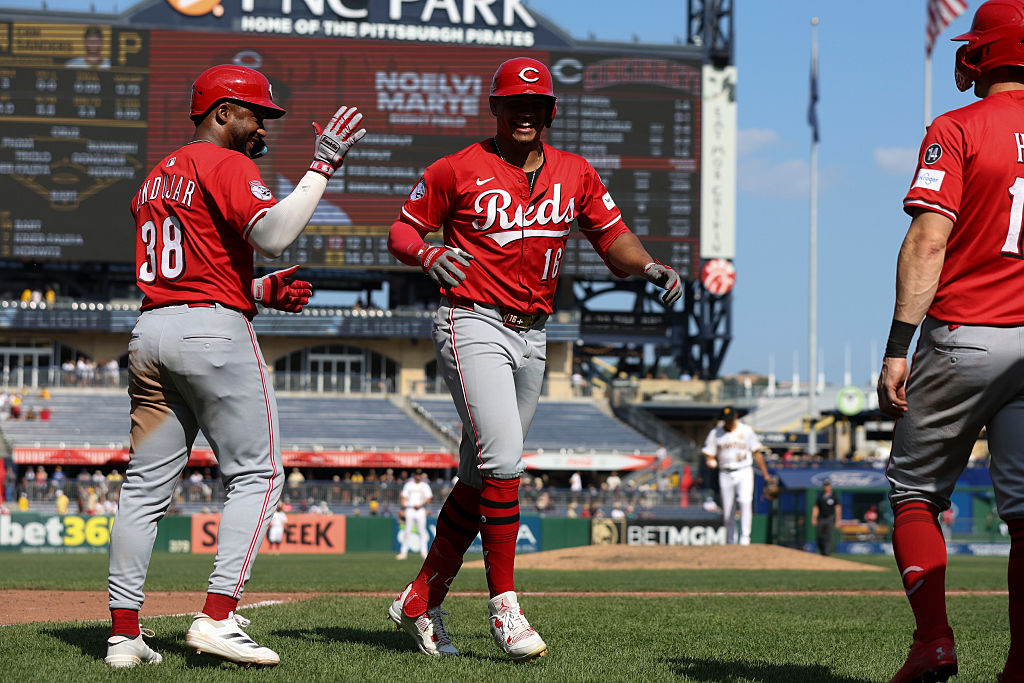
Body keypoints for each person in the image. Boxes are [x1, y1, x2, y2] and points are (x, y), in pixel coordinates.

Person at [384, 56, 683, 662]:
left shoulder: (575, 172)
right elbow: (402, 229)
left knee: (480, 475)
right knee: (504, 458)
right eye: (514, 103)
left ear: (551, 111)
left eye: (536, 104)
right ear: (495, 108)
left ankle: (420, 598)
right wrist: (425, 256)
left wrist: (646, 263)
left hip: (535, 334)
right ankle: (505, 605)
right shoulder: (455, 167)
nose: (526, 113)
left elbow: (611, 238)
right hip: (471, 319)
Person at [104, 63, 365, 669]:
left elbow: (195, 263)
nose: (262, 127)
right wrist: (322, 164)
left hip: (151, 330)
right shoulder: (224, 163)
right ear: (221, 112)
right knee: (259, 474)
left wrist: (258, 294)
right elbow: (274, 235)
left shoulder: (155, 176)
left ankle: (123, 636)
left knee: (143, 491)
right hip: (211, 334)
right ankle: (218, 618)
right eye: (255, 114)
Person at [876, 3, 1024, 681]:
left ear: (983, 54)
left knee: (914, 492)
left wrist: (898, 344)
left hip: (967, 332)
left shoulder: (957, 126)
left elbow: (928, 241)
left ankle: (933, 639)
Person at [701, 407, 773, 546]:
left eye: (730, 419)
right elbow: (709, 453)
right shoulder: (715, 433)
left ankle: (745, 539)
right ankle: (730, 541)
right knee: (728, 510)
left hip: (744, 470)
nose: (728, 422)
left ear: (735, 417)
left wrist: (765, 474)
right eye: (726, 420)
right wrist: (710, 460)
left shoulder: (746, 431)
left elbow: (756, 453)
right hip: (725, 472)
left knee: (745, 502)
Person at [396, 471, 432, 560]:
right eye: (417, 474)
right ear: (414, 475)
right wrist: (402, 509)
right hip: (410, 509)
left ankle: (424, 552)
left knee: (422, 532)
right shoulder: (408, 485)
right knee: (407, 531)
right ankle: (403, 552)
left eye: (420, 474)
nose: (418, 476)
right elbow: (404, 497)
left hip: (420, 510)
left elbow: (429, 498)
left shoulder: (425, 486)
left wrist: (422, 504)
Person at [810, 480, 839, 556]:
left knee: (829, 535)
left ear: (831, 486)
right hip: (821, 518)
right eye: (825, 485)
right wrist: (814, 518)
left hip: (830, 518)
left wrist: (838, 520)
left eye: (828, 485)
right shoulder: (820, 496)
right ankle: (822, 551)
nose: (827, 487)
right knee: (819, 535)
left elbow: (838, 508)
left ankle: (827, 553)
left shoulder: (834, 496)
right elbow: (816, 508)